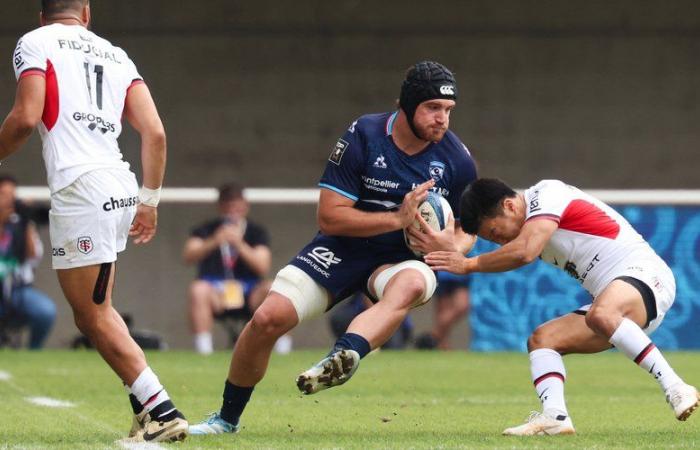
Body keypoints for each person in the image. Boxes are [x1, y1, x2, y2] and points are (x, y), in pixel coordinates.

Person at [189, 60, 478, 435]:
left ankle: (345, 355)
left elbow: (469, 226)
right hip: (344, 247)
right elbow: (329, 216)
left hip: (403, 259)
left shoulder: (456, 159)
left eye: (448, 111)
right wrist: (395, 219)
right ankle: (226, 420)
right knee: (265, 320)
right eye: (433, 108)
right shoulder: (364, 134)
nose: (442, 119)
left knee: (407, 286)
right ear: (406, 106)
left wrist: (451, 245)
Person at [0, 0, 187, 443]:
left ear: (41, 13)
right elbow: (155, 132)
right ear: (85, 12)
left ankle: (161, 411)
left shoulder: (35, 42)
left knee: (93, 316)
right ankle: (145, 412)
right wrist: (150, 200)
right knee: (98, 312)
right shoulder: (116, 54)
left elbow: (26, 118)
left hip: (80, 188)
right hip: (120, 183)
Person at [426, 178, 699, 436]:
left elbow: (525, 251)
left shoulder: (547, 193)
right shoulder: (530, 222)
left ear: (510, 206)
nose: (501, 242)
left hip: (647, 276)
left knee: (601, 313)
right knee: (542, 340)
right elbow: (513, 245)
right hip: (618, 302)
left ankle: (676, 387)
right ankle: (555, 417)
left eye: (496, 233)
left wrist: (469, 265)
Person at [183, 182, 272, 355]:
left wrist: (239, 244)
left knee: (272, 289)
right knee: (198, 289)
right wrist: (215, 241)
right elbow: (189, 255)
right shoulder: (206, 229)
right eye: (228, 207)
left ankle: (281, 348)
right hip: (216, 291)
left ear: (245, 207)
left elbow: (263, 266)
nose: (233, 212)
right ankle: (204, 349)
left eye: (237, 207)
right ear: (220, 207)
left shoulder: (256, 232)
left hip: (249, 289)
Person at [0, 175, 56, 349]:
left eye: (12, 195)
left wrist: (27, 221)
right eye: (3, 194)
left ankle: (33, 351)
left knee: (45, 310)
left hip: (18, 290)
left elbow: (32, 255)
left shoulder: (20, 224)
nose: (9, 200)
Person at [414, 271, 470, 350]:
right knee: (442, 311)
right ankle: (444, 349)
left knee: (462, 305)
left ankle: (430, 336)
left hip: (461, 271)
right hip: (442, 271)